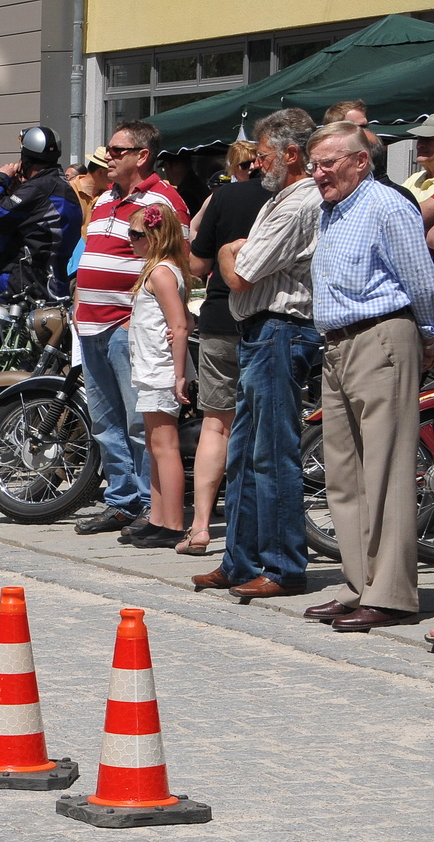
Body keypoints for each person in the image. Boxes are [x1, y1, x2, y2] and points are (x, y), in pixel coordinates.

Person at [300, 120, 434, 633]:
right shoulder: (330, 211)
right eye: (314, 164)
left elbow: (421, 280)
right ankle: (359, 585)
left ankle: (394, 594)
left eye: (328, 163)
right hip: (337, 345)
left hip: (382, 337)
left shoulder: (385, 205)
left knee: (386, 468)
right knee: (344, 472)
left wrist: (425, 336)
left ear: (361, 160)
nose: (318, 173)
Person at [72, 119, 190, 536]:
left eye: (117, 150)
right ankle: (121, 500)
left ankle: (149, 505)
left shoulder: (165, 200)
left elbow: (179, 260)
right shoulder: (105, 198)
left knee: (143, 424)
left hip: (127, 326)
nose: (108, 156)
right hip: (90, 324)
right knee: (105, 421)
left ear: (142, 156)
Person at [183, 134, 275, 559]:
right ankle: (258, 527)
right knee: (264, 427)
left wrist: (207, 209)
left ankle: (201, 526)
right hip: (269, 319)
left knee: (216, 425)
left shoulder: (226, 198)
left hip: (222, 317)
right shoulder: (295, 198)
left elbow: (196, 264)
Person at [121, 204, 192, 548]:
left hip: (162, 370)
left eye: (136, 235)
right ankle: (158, 516)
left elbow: (179, 324)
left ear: (154, 237)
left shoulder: (162, 273)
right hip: (150, 368)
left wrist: (179, 375)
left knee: (165, 446)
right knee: (154, 445)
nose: (130, 240)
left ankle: (174, 523)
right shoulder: (157, 270)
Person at [0, 126, 82, 300]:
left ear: (25, 158)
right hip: (52, 284)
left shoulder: (39, 188)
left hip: (22, 288)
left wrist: (0, 178)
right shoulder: (61, 186)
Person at [69, 148, 111, 229]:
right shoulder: (67, 190)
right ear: (101, 172)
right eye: (111, 172)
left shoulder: (109, 196)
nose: (114, 177)